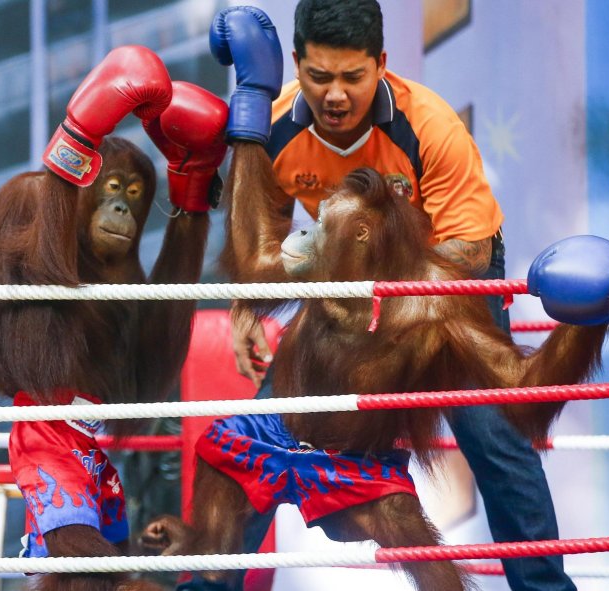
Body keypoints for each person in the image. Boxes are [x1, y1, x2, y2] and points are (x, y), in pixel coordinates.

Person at [222, 1, 575, 590]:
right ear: (296, 63)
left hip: (448, 285)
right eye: (319, 76)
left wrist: (383, 294)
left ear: (381, 64)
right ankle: (212, 585)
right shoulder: (277, 126)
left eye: (352, 78)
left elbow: (471, 251)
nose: (335, 95)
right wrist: (247, 305)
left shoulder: (430, 126)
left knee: (495, 437)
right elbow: (265, 240)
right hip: (345, 287)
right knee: (255, 438)